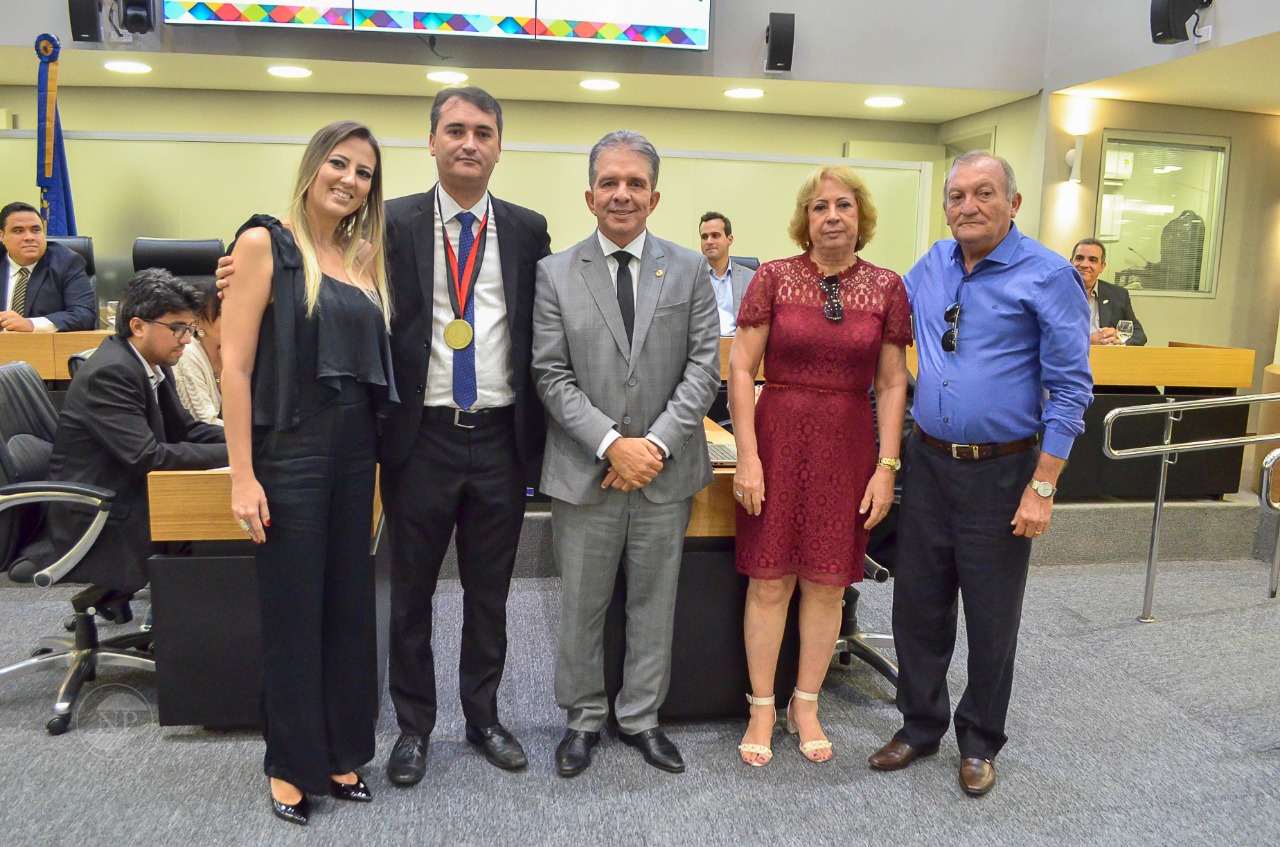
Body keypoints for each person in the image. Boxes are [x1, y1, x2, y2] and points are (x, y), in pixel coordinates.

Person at [868, 152, 1091, 796]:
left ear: (1014, 203)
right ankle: (918, 725)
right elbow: (882, 323)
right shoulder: (932, 264)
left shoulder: (1049, 276)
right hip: (928, 462)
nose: (968, 206)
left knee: (992, 616)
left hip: (1003, 471)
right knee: (918, 605)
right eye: (957, 195)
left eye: (984, 194)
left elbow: (1072, 390)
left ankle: (979, 741)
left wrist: (1042, 486)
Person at [221, 120, 396, 826]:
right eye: (340, 163)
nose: (350, 179)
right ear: (313, 166)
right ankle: (289, 763)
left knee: (348, 608)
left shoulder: (359, 259)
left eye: (364, 173)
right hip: (289, 453)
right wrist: (241, 475)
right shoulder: (265, 243)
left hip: (357, 456)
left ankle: (339, 748)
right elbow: (233, 365)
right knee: (294, 613)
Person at [532, 130, 720, 778]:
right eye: (609, 182)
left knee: (653, 601)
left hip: (666, 474)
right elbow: (550, 375)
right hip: (587, 473)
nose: (621, 194)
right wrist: (615, 444)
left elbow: (703, 368)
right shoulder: (554, 272)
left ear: (655, 195)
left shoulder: (691, 269)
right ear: (589, 195)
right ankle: (582, 717)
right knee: (581, 605)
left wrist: (656, 445)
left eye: (634, 183)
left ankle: (641, 717)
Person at [379, 87, 551, 782]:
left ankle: (483, 716)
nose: (469, 143)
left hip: (500, 439)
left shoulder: (529, 227)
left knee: (490, 591)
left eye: (483, 131)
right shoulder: (390, 221)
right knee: (412, 591)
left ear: (499, 145)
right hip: (420, 437)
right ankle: (414, 727)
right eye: (455, 130)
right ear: (431, 142)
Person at [728, 166, 910, 766]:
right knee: (769, 580)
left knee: (828, 583)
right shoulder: (774, 278)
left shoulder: (886, 287)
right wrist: (748, 457)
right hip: (776, 441)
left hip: (848, 447)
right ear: (804, 219)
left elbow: (889, 383)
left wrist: (887, 466)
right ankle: (761, 705)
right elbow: (740, 368)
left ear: (862, 218)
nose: (832, 216)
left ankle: (805, 702)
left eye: (844, 206)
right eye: (819, 207)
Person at [44, 268, 226, 604]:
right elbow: (148, 457)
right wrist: (242, 457)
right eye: (177, 329)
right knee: (215, 525)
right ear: (138, 326)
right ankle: (189, 628)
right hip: (99, 516)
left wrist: (246, 442)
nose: (187, 339)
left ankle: (186, 622)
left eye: (190, 328)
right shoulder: (112, 372)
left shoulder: (151, 362)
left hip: (125, 495)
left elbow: (187, 430)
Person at [0, 201, 96, 332]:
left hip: (45, 348)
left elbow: (84, 315)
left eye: (36, 230)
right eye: (18, 231)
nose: (29, 237)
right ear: (2, 236)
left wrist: (31, 325)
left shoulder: (67, 263)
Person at [1070, 237, 1148, 346]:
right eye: (1079, 258)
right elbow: (1045, 335)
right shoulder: (1054, 293)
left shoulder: (1118, 295)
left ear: (1102, 267)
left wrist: (1120, 340)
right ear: (1071, 262)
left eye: (1092, 260)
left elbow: (1139, 334)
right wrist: (1089, 340)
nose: (1084, 264)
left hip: (1106, 359)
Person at [172, 277, 223, 424]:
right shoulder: (187, 355)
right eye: (221, 313)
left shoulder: (230, 354)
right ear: (197, 323)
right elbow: (204, 423)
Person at [698, 211, 755, 336]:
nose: (709, 241)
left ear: (730, 239)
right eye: (704, 237)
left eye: (715, 235)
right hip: (701, 349)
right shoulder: (691, 278)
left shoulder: (751, 279)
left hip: (738, 348)